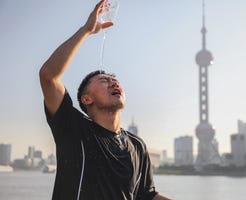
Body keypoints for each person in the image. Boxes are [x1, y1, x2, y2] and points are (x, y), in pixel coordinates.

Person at [39, 0, 172, 199]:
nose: (113, 82)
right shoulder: (74, 129)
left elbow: (146, 195)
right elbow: (49, 76)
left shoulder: (137, 145)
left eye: (115, 80)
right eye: (104, 80)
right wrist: (86, 30)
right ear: (86, 99)